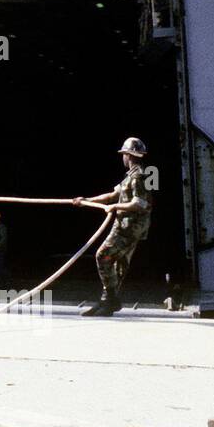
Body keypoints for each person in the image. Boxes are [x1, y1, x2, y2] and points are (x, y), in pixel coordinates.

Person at [73, 136, 154, 317]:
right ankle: (107, 302)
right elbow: (112, 195)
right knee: (118, 265)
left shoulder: (139, 176)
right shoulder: (130, 176)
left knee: (103, 256)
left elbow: (139, 204)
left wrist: (115, 206)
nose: (122, 158)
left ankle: (110, 300)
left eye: (123, 154)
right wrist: (86, 201)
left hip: (128, 227)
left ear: (128, 155)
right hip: (128, 226)